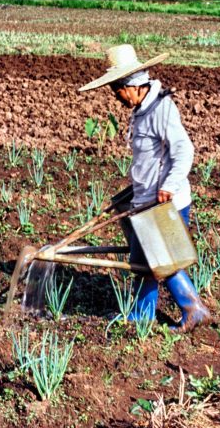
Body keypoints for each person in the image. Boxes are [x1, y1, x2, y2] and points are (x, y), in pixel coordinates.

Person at [79, 44, 211, 332]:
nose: (116, 97)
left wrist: (169, 185)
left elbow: (183, 150)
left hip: (163, 202)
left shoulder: (161, 108)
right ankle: (144, 316)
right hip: (145, 201)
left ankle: (192, 310)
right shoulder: (142, 108)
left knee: (161, 261)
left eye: (117, 90)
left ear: (132, 85)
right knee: (146, 262)